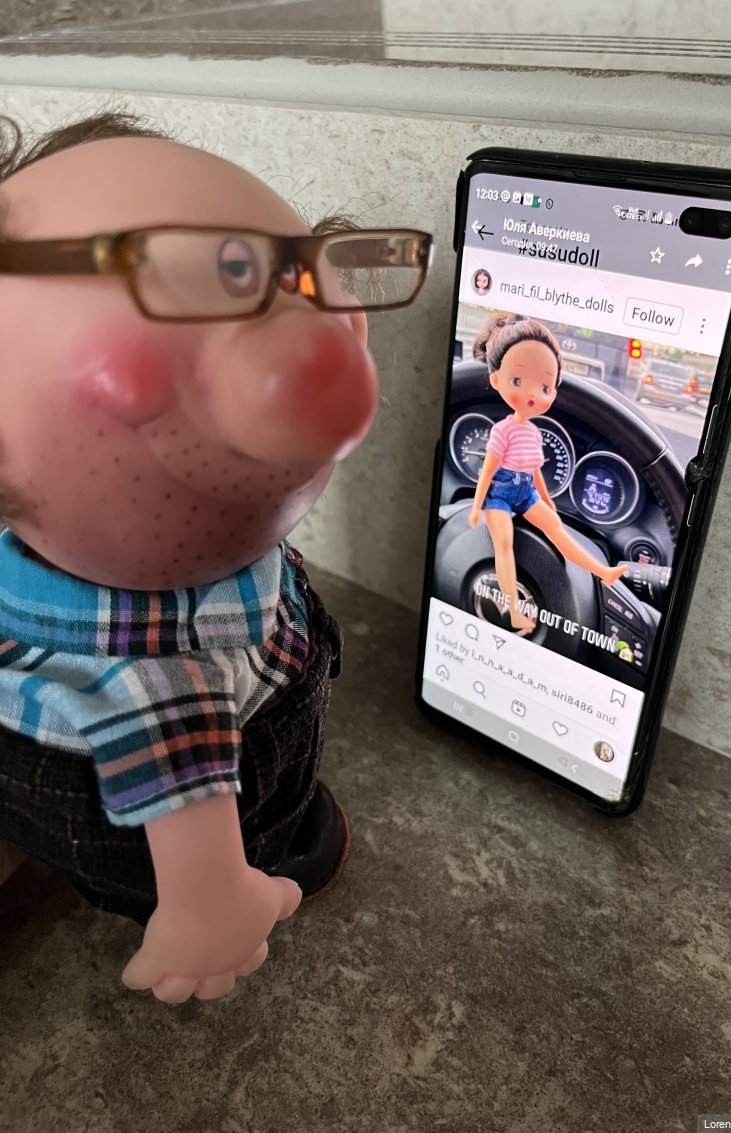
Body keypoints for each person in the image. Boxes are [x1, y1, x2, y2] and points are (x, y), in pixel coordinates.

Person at [0, 111, 432, 1002]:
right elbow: (201, 859)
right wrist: (213, 910)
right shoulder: (161, 679)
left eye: (287, 274)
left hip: (36, 757)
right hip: (168, 849)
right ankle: (289, 844)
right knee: (275, 823)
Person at [469, 313, 628, 633]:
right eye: (517, 381)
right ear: (497, 380)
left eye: (544, 386)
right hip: (499, 493)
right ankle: (514, 612)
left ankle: (603, 572)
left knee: (556, 529)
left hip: (526, 491)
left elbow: (535, 469)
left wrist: (547, 500)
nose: (532, 394)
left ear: (553, 392)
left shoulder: (531, 432)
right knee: (503, 544)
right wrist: (476, 506)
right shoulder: (502, 430)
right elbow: (488, 470)